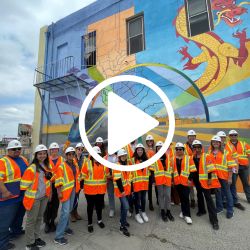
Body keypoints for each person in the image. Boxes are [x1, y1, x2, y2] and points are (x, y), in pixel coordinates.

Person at [21, 144, 51, 250]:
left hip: (43, 197)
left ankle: (36, 238)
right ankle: (29, 243)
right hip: (34, 199)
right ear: (36, 155)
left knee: (39, 219)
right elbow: (23, 185)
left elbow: (47, 181)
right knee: (31, 221)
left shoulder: (46, 166)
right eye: (40, 154)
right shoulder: (32, 168)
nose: (42, 155)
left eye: (44, 153)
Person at [0, 140, 28, 250]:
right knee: (4, 222)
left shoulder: (23, 159)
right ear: (8, 150)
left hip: (21, 195)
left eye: (18, 149)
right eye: (13, 149)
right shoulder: (3, 161)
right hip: (8, 198)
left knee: (19, 216)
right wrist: (5, 192)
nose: (16, 151)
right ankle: (2, 244)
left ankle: (16, 231)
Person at [54, 147, 80, 245]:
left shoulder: (74, 164)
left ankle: (66, 228)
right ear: (66, 155)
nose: (71, 156)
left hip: (72, 190)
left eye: (72, 154)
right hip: (65, 191)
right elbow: (58, 180)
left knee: (68, 210)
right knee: (65, 212)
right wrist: (59, 192)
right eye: (69, 154)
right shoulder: (62, 166)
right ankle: (58, 236)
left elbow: (76, 176)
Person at [192, 140, 220, 230]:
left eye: (198, 147)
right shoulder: (193, 157)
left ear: (201, 147)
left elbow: (210, 168)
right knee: (199, 195)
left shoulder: (206, 156)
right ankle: (202, 210)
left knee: (209, 200)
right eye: (195, 147)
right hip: (197, 181)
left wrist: (209, 179)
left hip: (205, 181)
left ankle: (214, 221)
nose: (197, 149)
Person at [80, 146, 109, 233]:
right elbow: (82, 175)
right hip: (89, 191)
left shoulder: (104, 164)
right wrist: (80, 186)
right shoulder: (87, 163)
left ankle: (99, 220)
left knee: (99, 206)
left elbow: (107, 174)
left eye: (98, 154)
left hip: (100, 190)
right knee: (90, 207)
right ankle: (90, 223)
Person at [208, 136, 236, 219]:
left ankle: (230, 211)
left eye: (217, 142)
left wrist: (230, 177)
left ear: (220, 143)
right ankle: (219, 208)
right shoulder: (210, 152)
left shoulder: (226, 152)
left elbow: (230, 166)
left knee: (227, 193)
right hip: (215, 177)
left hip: (224, 177)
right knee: (218, 193)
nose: (215, 143)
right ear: (212, 143)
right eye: (214, 142)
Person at [217, 131, 245, 211]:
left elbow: (236, 158)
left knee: (232, 186)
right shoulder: (214, 147)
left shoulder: (230, 146)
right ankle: (224, 202)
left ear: (225, 138)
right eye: (220, 137)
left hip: (230, 171)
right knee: (223, 188)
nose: (222, 139)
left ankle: (235, 202)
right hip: (220, 173)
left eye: (223, 137)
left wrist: (236, 169)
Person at [172, 142, 196, 224]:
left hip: (186, 182)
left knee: (185, 198)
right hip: (177, 182)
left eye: (180, 149)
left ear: (183, 150)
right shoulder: (173, 159)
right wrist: (172, 180)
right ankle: (183, 211)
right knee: (182, 198)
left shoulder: (189, 158)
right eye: (177, 149)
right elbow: (172, 171)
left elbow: (193, 170)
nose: (179, 151)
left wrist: (190, 179)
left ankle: (188, 215)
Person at [43, 142, 63, 233]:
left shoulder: (62, 159)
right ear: (49, 151)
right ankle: (46, 223)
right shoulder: (45, 160)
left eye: (56, 149)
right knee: (48, 205)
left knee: (55, 205)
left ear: (58, 150)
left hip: (58, 185)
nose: (54, 151)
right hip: (48, 186)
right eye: (52, 149)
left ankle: (52, 221)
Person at [227, 130, 250, 204]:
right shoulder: (226, 145)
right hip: (233, 168)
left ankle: (249, 199)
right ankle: (234, 200)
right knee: (232, 184)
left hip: (244, 167)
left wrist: (248, 162)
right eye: (232, 135)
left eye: (235, 135)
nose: (233, 136)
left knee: (246, 183)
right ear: (229, 136)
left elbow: (249, 153)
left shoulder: (244, 144)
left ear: (237, 135)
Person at [154, 141, 174, 222]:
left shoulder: (168, 157)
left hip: (168, 179)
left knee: (168, 196)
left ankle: (168, 211)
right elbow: (152, 170)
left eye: (161, 147)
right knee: (161, 195)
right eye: (158, 147)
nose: (159, 149)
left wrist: (172, 179)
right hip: (159, 180)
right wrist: (153, 181)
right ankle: (162, 211)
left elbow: (171, 169)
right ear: (156, 149)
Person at [113, 149, 132, 237]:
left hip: (127, 190)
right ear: (119, 157)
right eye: (122, 156)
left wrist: (129, 190)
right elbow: (118, 180)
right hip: (121, 192)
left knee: (123, 207)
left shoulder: (127, 165)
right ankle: (122, 227)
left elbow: (129, 178)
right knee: (126, 207)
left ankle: (122, 221)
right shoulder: (117, 165)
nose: (124, 157)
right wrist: (122, 191)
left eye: (125, 155)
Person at [132, 143, 150, 224]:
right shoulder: (132, 161)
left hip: (144, 184)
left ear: (143, 151)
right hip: (136, 184)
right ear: (136, 151)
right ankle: (137, 214)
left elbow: (149, 171)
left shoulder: (147, 160)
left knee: (143, 199)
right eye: (138, 150)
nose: (140, 151)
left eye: (141, 150)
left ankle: (143, 212)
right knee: (137, 199)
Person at [70, 143, 85, 222]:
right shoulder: (72, 158)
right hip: (72, 182)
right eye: (78, 149)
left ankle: (75, 212)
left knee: (77, 198)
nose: (80, 151)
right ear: (75, 149)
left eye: (81, 149)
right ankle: (72, 213)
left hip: (79, 182)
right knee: (73, 197)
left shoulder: (83, 158)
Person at [184, 130, 197, 208]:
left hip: (198, 169)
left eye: (193, 136)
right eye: (190, 136)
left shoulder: (197, 145)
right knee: (190, 185)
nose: (192, 138)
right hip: (188, 169)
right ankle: (192, 200)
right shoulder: (184, 146)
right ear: (188, 137)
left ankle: (199, 199)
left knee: (198, 186)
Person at [145, 135, 158, 211]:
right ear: (146, 142)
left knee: (157, 186)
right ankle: (150, 203)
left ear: (153, 142)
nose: (150, 142)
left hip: (156, 170)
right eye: (148, 141)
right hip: (149, 171)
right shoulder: (145, 150)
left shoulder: (156, 149)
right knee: (149, 188)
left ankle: (158, 200)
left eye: (151, 141)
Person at [105, 152, 117, 218]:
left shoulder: (118, 156)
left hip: (118, 179)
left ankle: (125, 209)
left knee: (122, 194)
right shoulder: (105, 158)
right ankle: (112, 209)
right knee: (110, 194)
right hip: (109, 179)